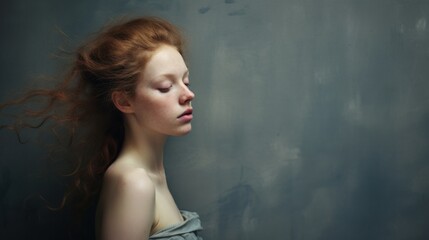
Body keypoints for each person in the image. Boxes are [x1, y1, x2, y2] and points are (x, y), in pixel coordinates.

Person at [0, 17, 203, 240]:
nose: (188, 95)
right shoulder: (134, 183)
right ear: (125, 102)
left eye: (186, 81)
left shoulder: (148, 176)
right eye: (165, 87)